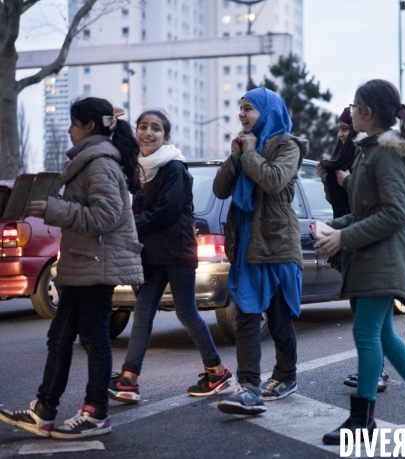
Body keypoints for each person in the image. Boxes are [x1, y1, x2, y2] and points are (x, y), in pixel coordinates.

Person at [315, 79, 405, 445]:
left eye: (355, 106)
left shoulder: (385, 153)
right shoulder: (369, 151)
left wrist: (342, 236)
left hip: (384, 258)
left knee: (365, 334)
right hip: (372, 256)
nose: (351, 111)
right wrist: (332, 226)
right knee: (385, 336)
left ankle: (362, 421)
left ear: (368, 112)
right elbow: (366, 211)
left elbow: (393, 214)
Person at [0, 97, 144, 439]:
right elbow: (89, 209)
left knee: (94, 339)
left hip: (97, 264)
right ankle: (43, 410)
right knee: (59, 337)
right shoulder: (89, 162)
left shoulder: (101, 165)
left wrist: (56, 210)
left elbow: (106, 217)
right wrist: (53, 205)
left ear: (89, 126)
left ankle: (96, 413)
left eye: (73, 123)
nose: (68, 130)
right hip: (83, 263)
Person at [109, 109, 232, 403]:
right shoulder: (140, 169)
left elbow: (166, 211)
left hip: (176, 251)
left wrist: (129, 224)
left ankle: (217, 372)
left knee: (186, 312)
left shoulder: (174, 167)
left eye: (155, 128)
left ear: (166, 136)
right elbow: (120, 152)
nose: (147, 133)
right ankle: (129, 379)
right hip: (151, 254)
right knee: (142, 312)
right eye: (142, 127)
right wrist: (112, 127)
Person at [213, 87, 308, 415]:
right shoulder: (244, 145)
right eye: (240, 109)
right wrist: (236, 155)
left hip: (277, 245)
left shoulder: (288, 145)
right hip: (246, 245)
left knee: (279, 318)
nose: (242, 115)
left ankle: (286, 375)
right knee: (246, 316)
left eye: (249, 109)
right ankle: (249, 387)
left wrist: (251, 153)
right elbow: (220, 189)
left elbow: (274, 180)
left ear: (268, 111)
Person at [316, 107, 389, 392]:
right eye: (340, 129)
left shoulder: (371, 158)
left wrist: (347, 181)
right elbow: (344, 205)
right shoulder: (348, 160)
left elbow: (378, 207)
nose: (341, 135)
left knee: (369, 321)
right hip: (351, 243)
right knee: (366, 319)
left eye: (345, 129)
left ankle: (375, 377)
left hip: (369, 244)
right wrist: (328, 180)